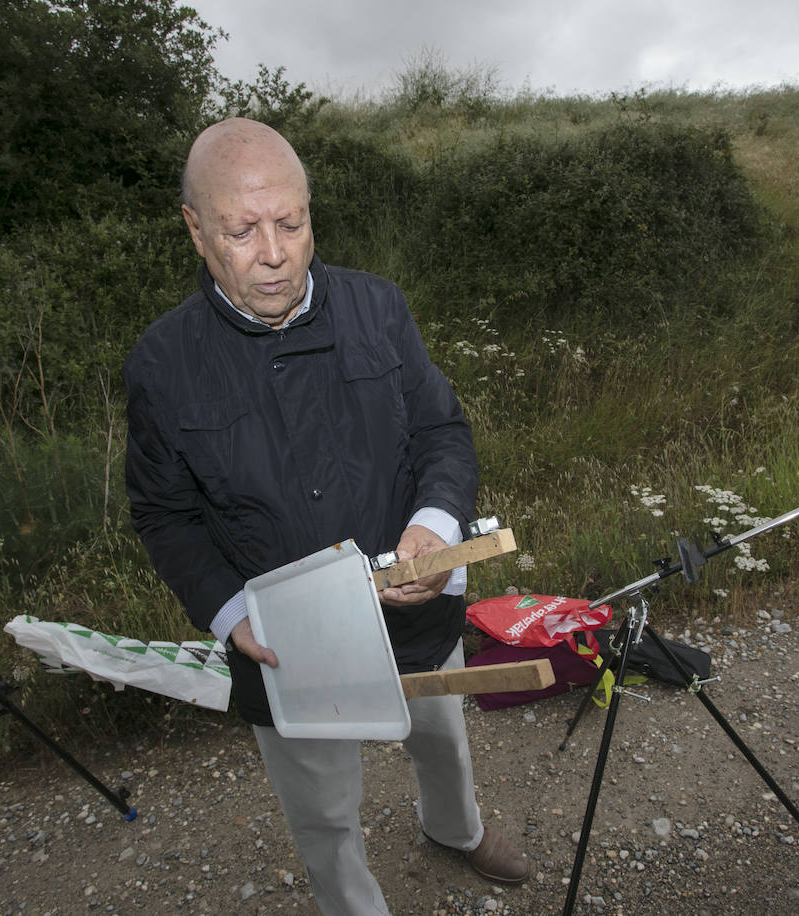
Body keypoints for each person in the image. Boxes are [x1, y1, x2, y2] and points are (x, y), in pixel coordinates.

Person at [122, 117, 530, 915]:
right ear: (197, 231)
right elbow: (164, 513)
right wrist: (230, 611)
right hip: (290, 647)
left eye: (293, 222)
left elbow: (443, 431)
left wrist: (438, 528)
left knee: (443, 739)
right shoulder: (162, 364)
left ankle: (455, 829)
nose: (274, 252)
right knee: (322, 811)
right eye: (242, 230)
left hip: (414, 613)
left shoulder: (378, 308)